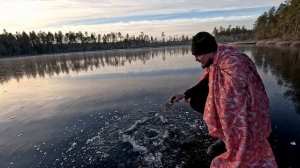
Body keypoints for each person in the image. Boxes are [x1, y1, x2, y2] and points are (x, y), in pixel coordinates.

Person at [170, 32, 277, 167]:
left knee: (225, 111)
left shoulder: (234, 63)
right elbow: (206, 82)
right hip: (233, 102)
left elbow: (238, 101)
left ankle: (234, 140)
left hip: (248, 109)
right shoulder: (218, 60)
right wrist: (185, 94)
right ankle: (225, 137)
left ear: (208, 51)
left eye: (198, 55)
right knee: (196, 100)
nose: (196, 59)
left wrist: (219, 109)